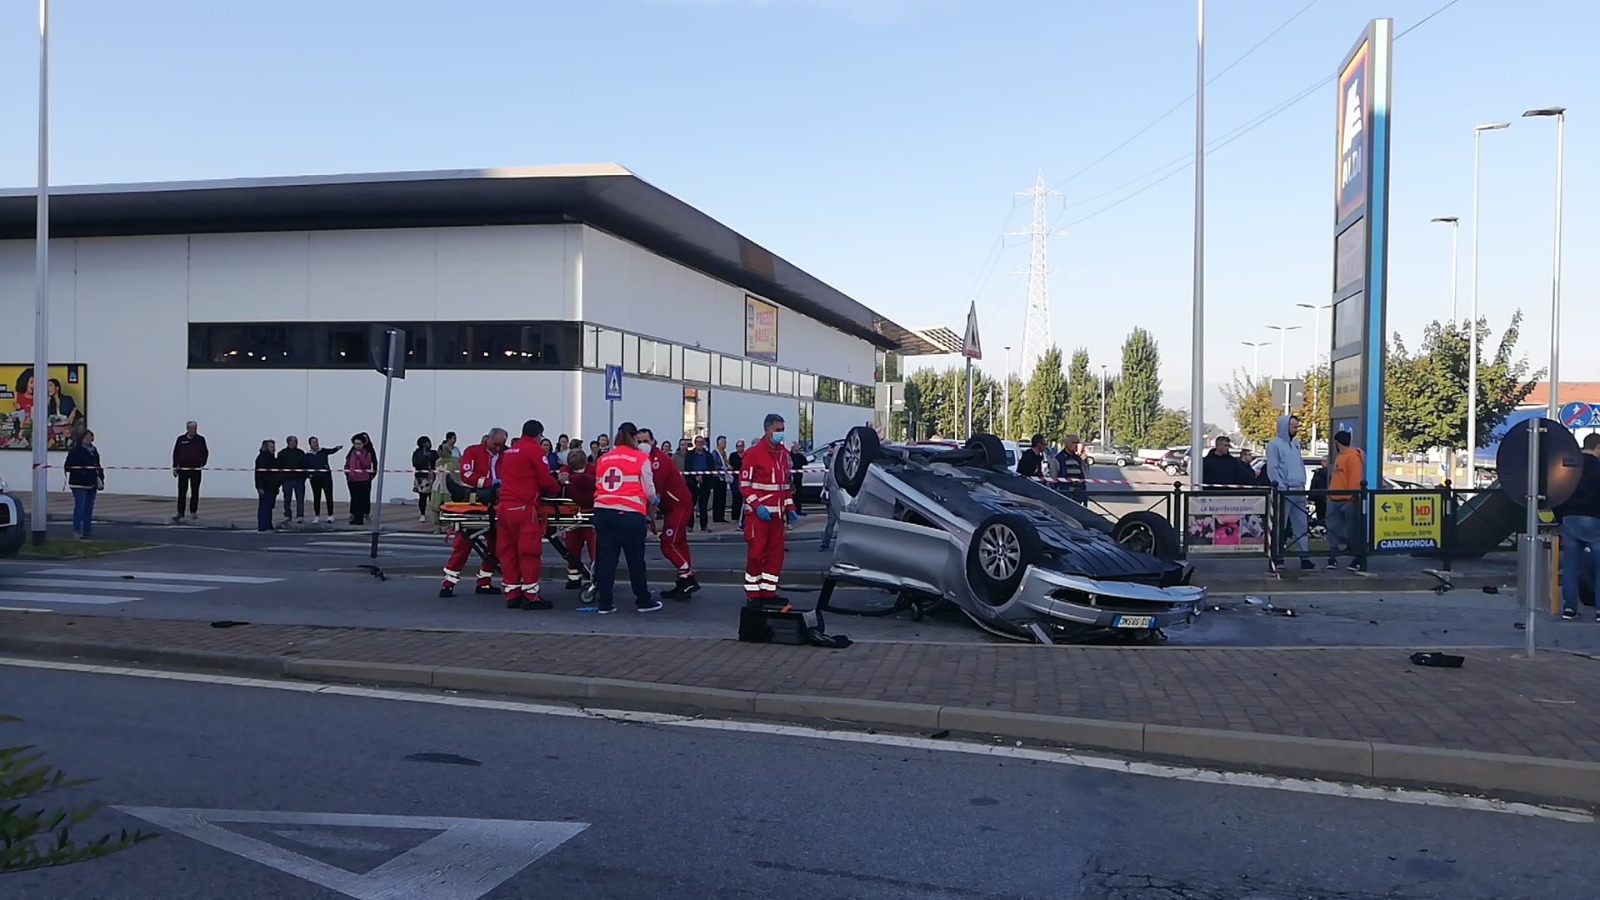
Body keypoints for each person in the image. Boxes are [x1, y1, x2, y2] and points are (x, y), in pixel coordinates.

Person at [591, 422, 663, 614]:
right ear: (633, 437)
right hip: (630, 514)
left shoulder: (604, 458)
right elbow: (648, 490)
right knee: (635, 560)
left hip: (603, 512)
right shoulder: (640, 458)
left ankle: (605, 603)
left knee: (606, 560)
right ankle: (643, 600)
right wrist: (656, 501)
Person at [495, 420, 562, 610]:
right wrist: (557, 487)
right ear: (538, 434)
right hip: (523, 507)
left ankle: (512, 594)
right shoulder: (534, 450)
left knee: (508, 551)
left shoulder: (511, 451)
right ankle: (531, 596)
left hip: (504, 508)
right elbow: (544, 478)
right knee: (529, 551)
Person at [440, 429, 507, 597]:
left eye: (501, 445)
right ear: (488, 439)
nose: (498, 448)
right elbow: (467, 474)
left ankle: (484, 582)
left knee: (495, 545)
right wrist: (491, 482)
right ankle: (448, 583)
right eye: (495, 444)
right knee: (462, 545)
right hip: (477, 500)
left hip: (497, 503)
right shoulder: (473, 451)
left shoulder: (506, 455)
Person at [740, 413, 797, 603]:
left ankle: (768, 592)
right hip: (759, 516)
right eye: (778, 430)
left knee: (775, 556)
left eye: (783, 430)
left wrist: (790, 508)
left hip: (777, 517)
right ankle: (753, 594)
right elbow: (744, 485)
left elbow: (784, 486)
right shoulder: (753, 453)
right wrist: (757, 507)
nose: (781, 434)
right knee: (756, 555)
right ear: (767, 430)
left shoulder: (783, 454)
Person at [639, 427, 699, 600]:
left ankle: (687, 577)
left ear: (653, 441)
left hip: (678, 505)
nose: (643, 445)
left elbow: (654, 493)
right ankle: (683, 582)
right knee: (679, 544)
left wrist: (647, 516)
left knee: (668, 543)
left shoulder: (658, 460)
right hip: (672, 506)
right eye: (640, 441)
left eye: (646, 441)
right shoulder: (647, 459)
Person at [1556, 433, 1600, 621]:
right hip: (1594, 520)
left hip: (1570, 519)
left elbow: (1558, 490)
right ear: (1598, 447)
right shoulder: (1598, 467)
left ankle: (1569, 608)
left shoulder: (1570, 466)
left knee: (1571, 566)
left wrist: (1562, 518)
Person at [1266, 415, 1313, 572]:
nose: (1296, 429)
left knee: (1302, 524)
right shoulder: (1274, 445)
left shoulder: (1296, 443)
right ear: (1285, 427)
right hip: (1285, 491)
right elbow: (1273, 468)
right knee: (1281, 526)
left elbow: (1299, 463)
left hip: (1299, 488)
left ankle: (1304, 556)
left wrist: (1303, 481)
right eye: (1293, 427)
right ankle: (1278, 557)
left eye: (1297, 426)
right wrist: (1281, 487)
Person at [1325, 431, 1366, 572]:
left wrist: (1351, 498)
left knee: (1352, 531)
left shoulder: (1353, 457)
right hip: (1334, 498)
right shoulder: (1341, 457)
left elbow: (1355, 479)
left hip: (1347, 500)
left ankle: (1358, 558)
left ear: (1337, 442)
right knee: (1332, 530)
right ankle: (1332, 557)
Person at [561, 448, 597, 590]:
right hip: (576, 515)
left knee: (586, 548)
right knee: (573, 547)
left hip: (583, 514)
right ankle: (575, 577)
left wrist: (568, 483)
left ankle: (582, 577)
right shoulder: (566, 472)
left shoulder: (591, 471)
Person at [64, 430, 103, 540]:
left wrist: (101, 476)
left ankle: (87, 530)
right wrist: (82, 473)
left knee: (89, 507)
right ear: (82, 438)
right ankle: (77, 530)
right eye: (87, 437)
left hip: (92, 482)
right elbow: (68, 466)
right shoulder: (76, 451)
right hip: (79, 483)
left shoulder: (93, 450)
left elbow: (97, 465)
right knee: (80, 507)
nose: (89, 439)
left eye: (91, 437)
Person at [172, 421, 209, 523]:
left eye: (195, 428)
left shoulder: (200, 440)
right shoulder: (181, 439)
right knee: (182, 491)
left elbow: (205, 452)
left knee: (195, 491)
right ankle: (180, 512)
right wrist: (175, 467)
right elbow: (176, 453)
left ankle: (193, 512)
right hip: (183, 469)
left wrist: (201, 463)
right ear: (187, 429)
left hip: (195, 469)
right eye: (192, 428)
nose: (194, 430)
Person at [306, 436, 342, 524]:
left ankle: (330, 515)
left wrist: (337, 448)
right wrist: (309, 476)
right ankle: (317, 516)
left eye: (317, 442)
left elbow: (332, 451)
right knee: (316, 497)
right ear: (310, 444)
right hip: (315, 479)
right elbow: (305, 467)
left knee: (329, 496)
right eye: (314, 442)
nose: (316, 444)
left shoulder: (323, 451)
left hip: (326, 477)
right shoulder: (307, 455)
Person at [343, 435, 376, 526]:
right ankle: (354, 517)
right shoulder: (351, 453)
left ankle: (360, 519)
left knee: (362, 499)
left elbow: (366, 464)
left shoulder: (367, 453)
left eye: (359, 444)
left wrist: (359, 456)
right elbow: (347, 464)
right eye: (355, 444)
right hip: (352, 479)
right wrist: (347, 474)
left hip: (363, 479)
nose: (357, 446)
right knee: (354, 499)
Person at [278, 436, 309, 525]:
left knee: (300, 498)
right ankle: (287, 515)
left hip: (299, 480)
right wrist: (282, 478)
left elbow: (305, 465)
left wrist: (304, 477)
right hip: (287, 480)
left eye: (296, 441)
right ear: (288, 442)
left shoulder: (300, 453)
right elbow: (279, 467)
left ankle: (300, 516)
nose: (295, 443)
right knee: (287, 498)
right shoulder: (282, 453)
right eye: (293, 441)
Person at [819, 441, 841, 552]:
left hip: (838, 494)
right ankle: (825, 543)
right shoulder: (828, 460)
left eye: (830, 448)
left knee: (837, 521)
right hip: (831, 493)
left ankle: (834, 544)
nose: (829, 450)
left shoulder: (839, 461)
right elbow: (828, 465)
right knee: (832, 520)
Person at [412, 436, 438, 523]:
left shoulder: (433, 452)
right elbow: (415, 463)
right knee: (422, 497)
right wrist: (424, 457)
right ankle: (422, 514)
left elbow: (436, 460)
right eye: (427, 442)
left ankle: (434, 514)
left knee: (433, 497)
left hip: (432, 477)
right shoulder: (417, 453)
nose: (429, 444)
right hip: (422, 478)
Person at [255, 439, 279, 533]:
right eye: (271, 447)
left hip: (272, 486)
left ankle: (268, 525)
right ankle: (263, 526)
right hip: (265, 486)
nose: (273, 449)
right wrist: (259, 487)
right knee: (265, 506)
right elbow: (259, 474)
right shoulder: (262, 458)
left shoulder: (271, 457)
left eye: (273, 447)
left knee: (269, 507)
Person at [1054, 434, 1088, 503]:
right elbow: (1053, 478)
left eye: (1077, 443)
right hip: (1064, 493)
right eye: (1074, 442)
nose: (1076, 445)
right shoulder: (1058, 459)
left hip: (1078, 493)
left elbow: (1083, 474)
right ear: (1066, 443)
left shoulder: (1078, 459)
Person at [711, 436, 732, 523]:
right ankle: (716, 517)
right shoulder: (715, 453)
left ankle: (721, 516)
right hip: (717, 478)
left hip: (723, 478)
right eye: (723, 442)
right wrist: (722, 467)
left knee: (722, 498)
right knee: (717, 498)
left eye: (725, 442)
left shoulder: (724, 453)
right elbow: (714, 465)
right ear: (719, 443)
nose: (725, 444)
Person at [728, 439, 746, 527]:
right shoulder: (733, 455)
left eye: (741, 446)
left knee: (744, 498)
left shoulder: (746, 455)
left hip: (744, 478)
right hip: (735, 479)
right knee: (736, 497)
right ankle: (735, 516)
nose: (739, 448)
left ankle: (743, 516)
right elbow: (732, 465)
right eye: (738, 446)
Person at [789, 444, 809, 515]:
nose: (799, 448)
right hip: (791, 478)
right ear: (793, 447)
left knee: (799, 494)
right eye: (797, 446)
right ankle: (791, 510)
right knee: (791, 494)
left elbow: (805, 462)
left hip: (798, 477)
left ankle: (798, 510)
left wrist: (802, 455)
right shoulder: (789, 455)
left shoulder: (800, 456)